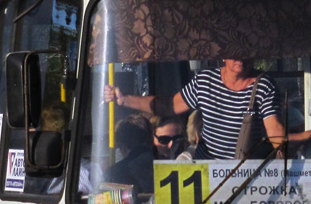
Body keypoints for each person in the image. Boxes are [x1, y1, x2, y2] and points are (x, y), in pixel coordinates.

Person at [104, 59, 285, 160]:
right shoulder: (205, 80)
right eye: (235, 50)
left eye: (247, 51)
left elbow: (274, 129)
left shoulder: (264, 85)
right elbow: (170, 105)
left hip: (246, 176)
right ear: (223, 53)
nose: (241, 57)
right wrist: (125, 100)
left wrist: (285, 153)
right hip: (206, 169)